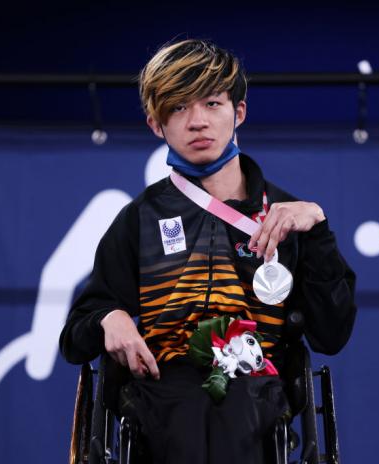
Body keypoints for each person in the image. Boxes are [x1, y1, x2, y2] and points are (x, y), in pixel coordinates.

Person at [59, 38, 357, 464]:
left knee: (234, 404)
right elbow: (74, 338)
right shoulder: (139, 219)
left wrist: (319, 228)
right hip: (162, 391)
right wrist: (110, 317)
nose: (197, 121)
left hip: (256, 392)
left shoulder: (290, 219)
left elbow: (332, 335)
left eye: (212, 104)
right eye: (178, 108)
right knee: (185, 405)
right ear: (155, 124)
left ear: (239, 112)